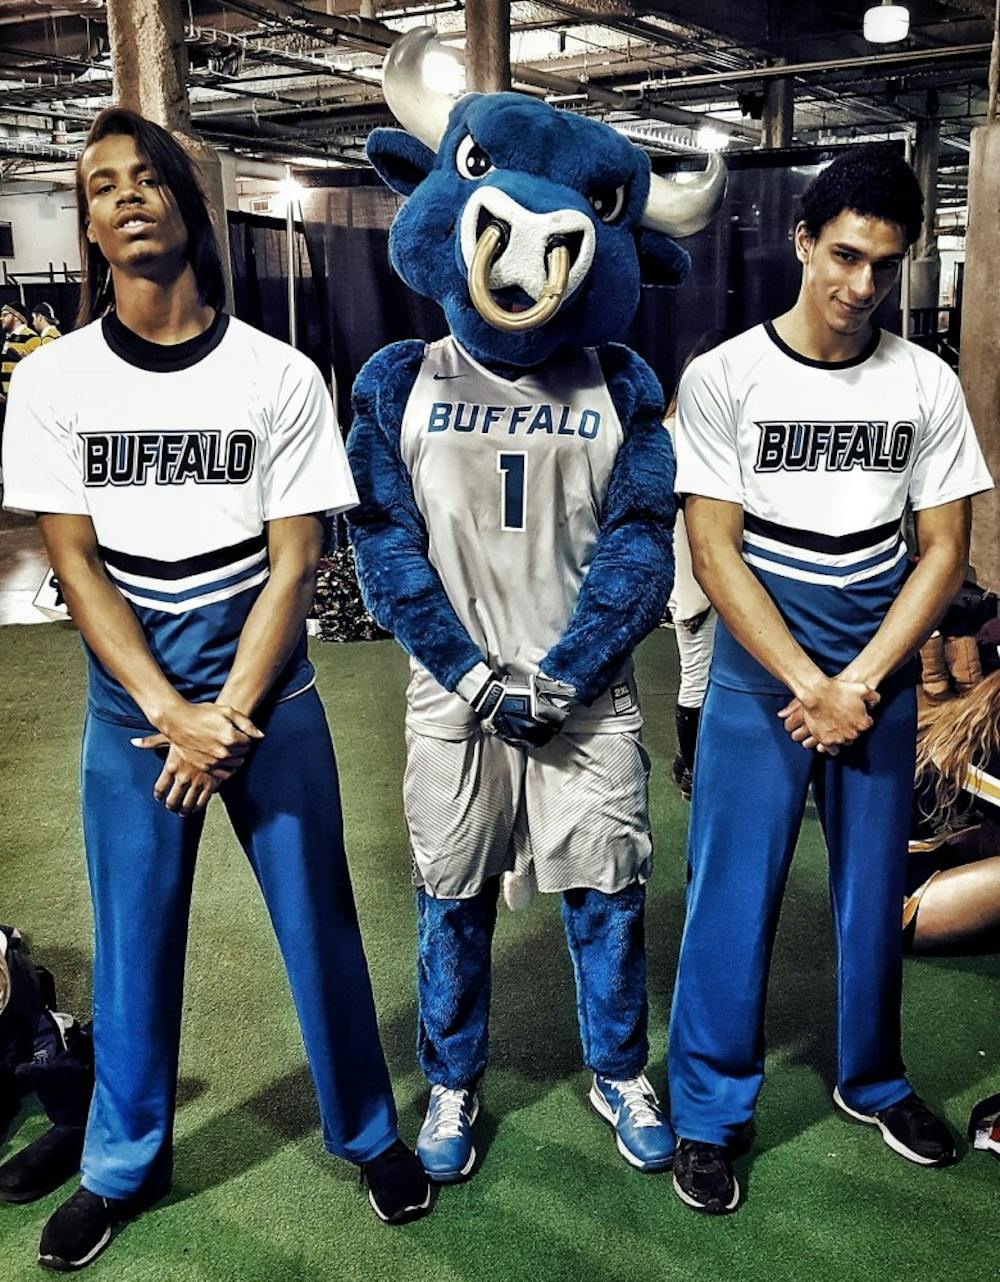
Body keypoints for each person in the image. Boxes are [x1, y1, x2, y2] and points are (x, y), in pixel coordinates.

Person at [2, 106, 429, 1272]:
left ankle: (367, 1132)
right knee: (133, 941)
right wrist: (169, 714)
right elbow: (74, 562)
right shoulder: (52, 384)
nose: (129, 197)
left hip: (267, 703)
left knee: (320, 927)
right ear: (88, 226)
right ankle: (119, 1165)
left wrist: (228, 716)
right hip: (134, 712)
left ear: (189, 204)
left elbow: (296, 558)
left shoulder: (277, 373)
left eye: (149, 179)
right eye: (102, 187)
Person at [667, 145, 993, 1214]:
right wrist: (808, 681)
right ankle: (708, 1111)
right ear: (803, 243)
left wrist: (858, 679)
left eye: (884, 265)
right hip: (764, 684)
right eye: (844, 255)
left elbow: (942, 547)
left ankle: (872, 1078)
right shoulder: (723, 375)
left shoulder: (923, 381)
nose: (860, 285)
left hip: (878, 677)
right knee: (730, 899)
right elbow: (713, 550)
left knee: (871, 897)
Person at [663, 330, 729, 799]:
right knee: (698, 677)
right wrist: (690, 595)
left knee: (718, 680)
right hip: (695, 580)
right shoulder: (671, 436)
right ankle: (692, 769)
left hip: (729, 579)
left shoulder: (725, 435)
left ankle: (703, 765)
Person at [1, 302, 41, 401]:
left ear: (17, 317)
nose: (1, 318)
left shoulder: (31, 337)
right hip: (8, 399)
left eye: (5, 315)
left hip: (23, 398)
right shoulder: (10, 339)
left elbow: (38, 370)